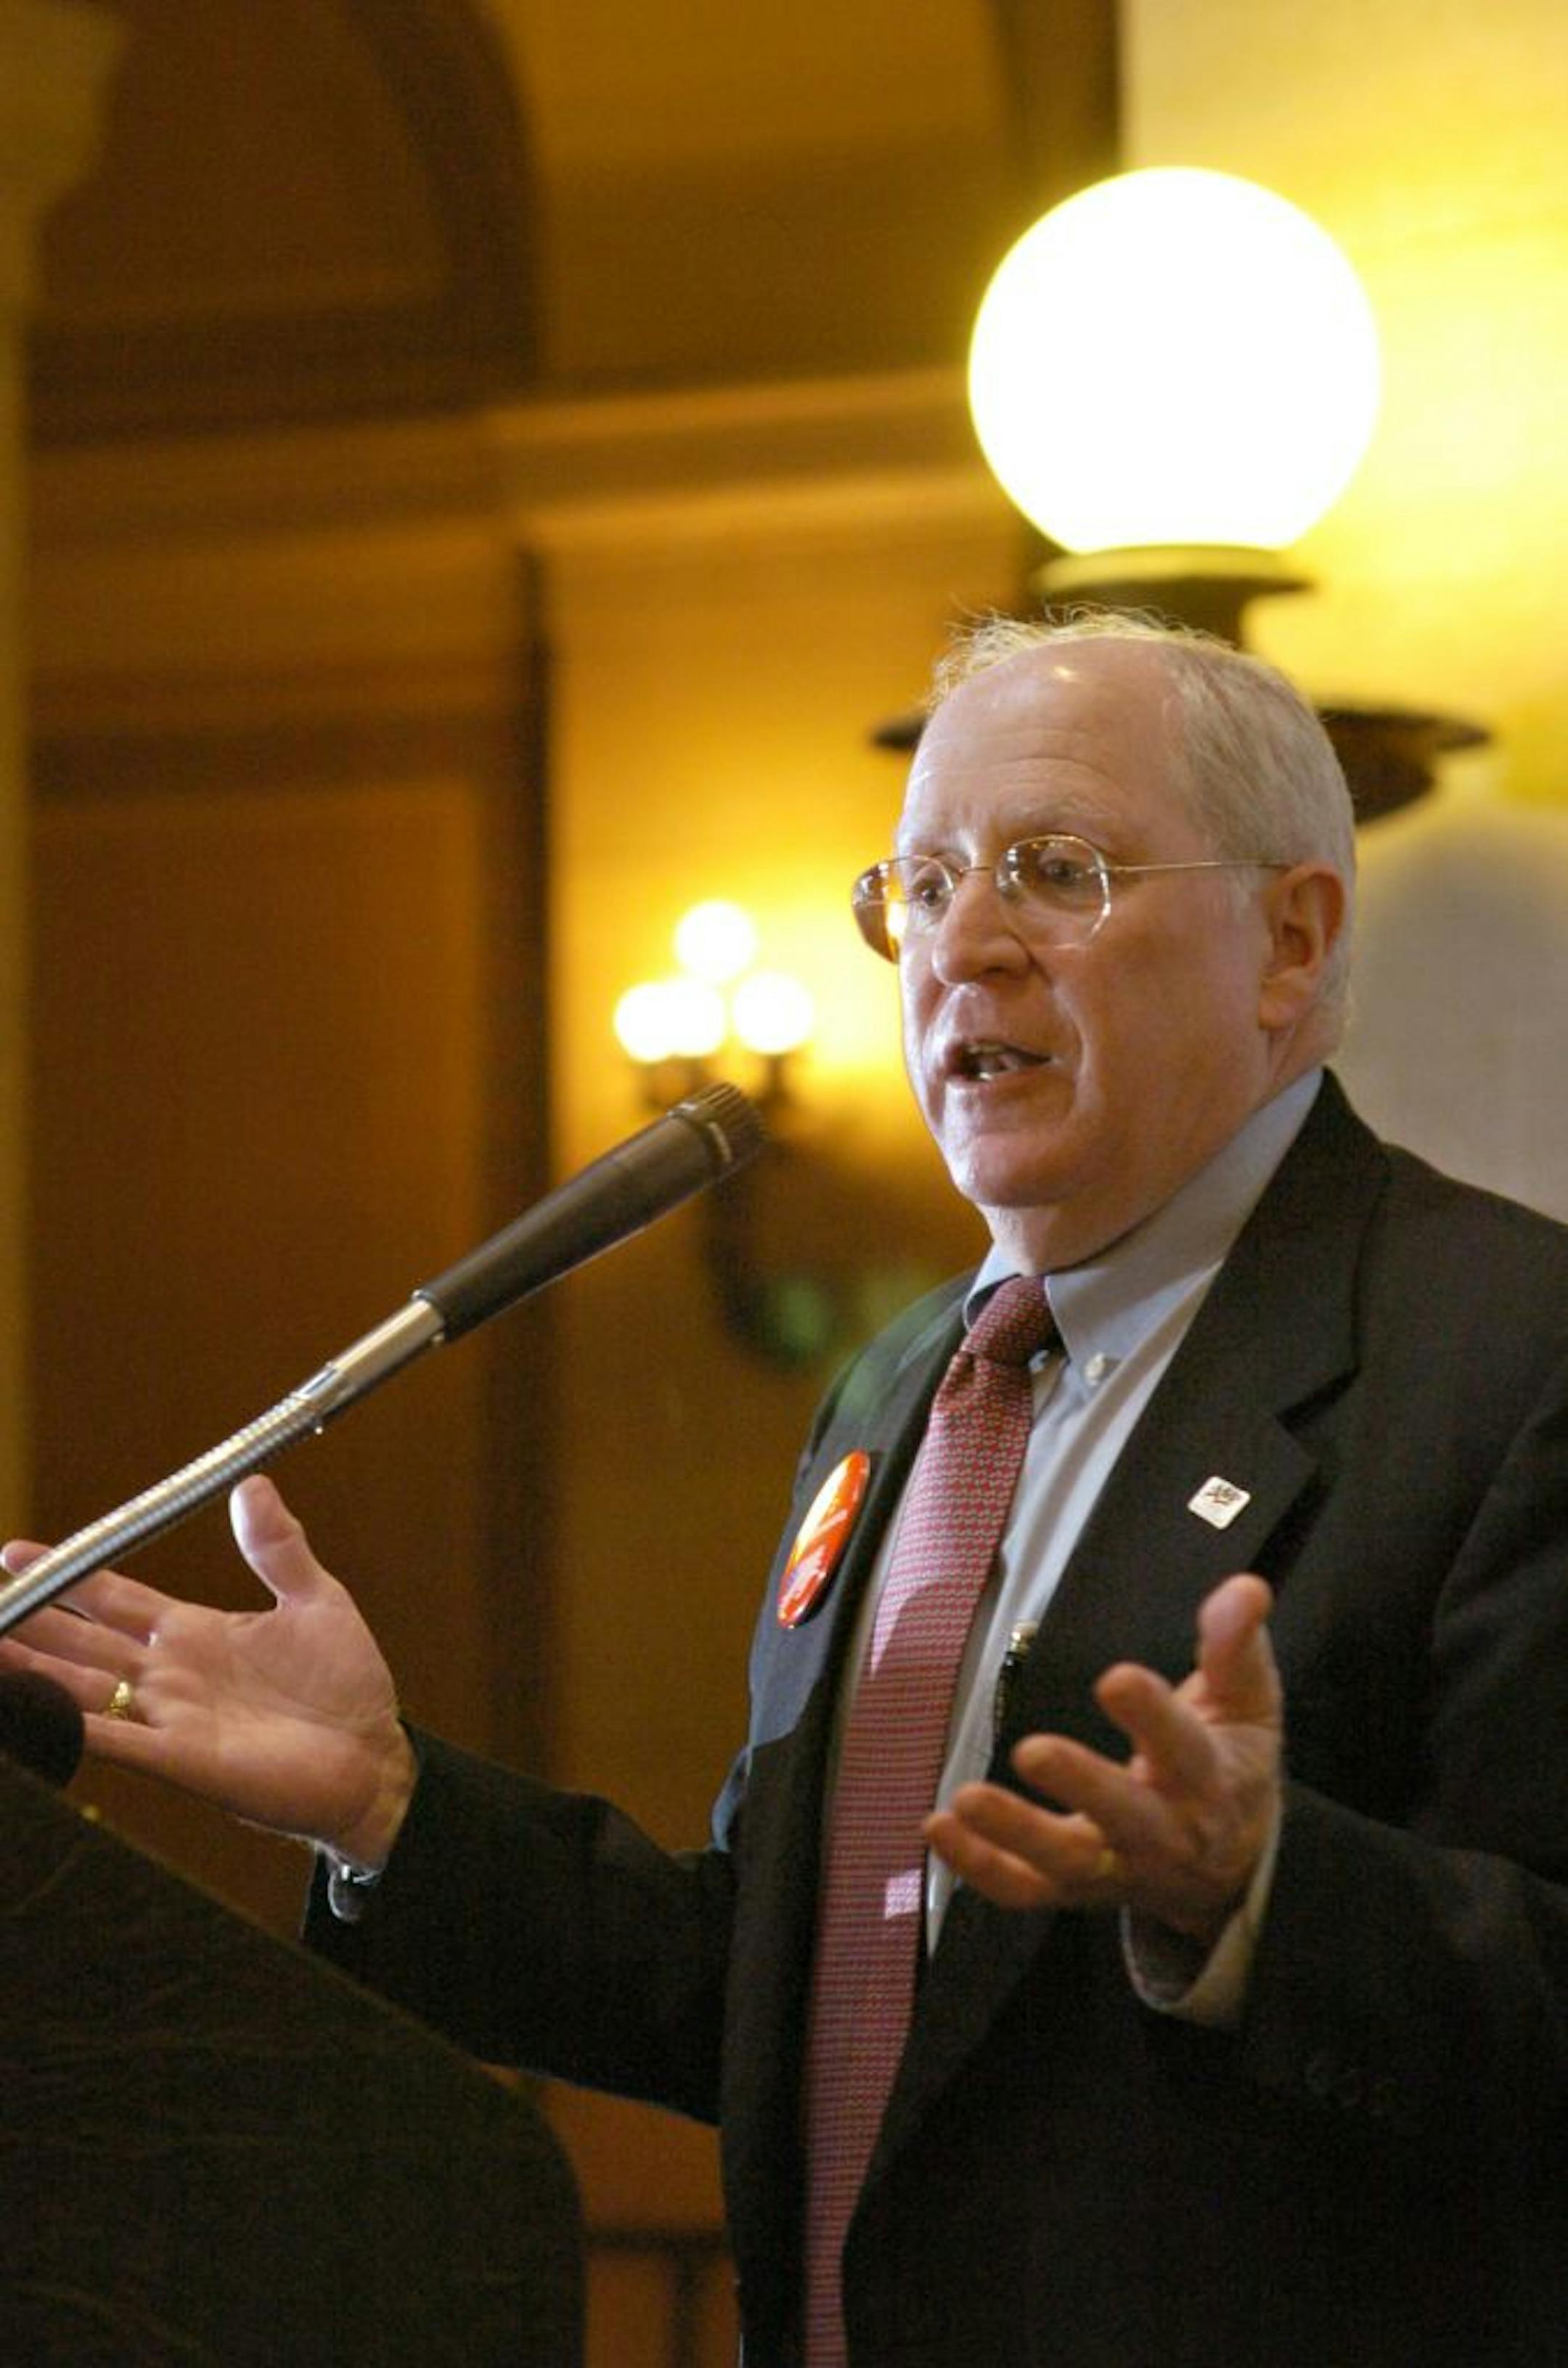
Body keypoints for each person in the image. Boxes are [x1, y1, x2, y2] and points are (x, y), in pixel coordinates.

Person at [4, 613, 1565, 2367]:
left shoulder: (1508, 1358)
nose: (963, 943)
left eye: (1054, 870)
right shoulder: (898, 1388)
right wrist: (386, 1805)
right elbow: (788, 1991)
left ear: (1289, 939)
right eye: (919, 883)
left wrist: (1264, 1896)